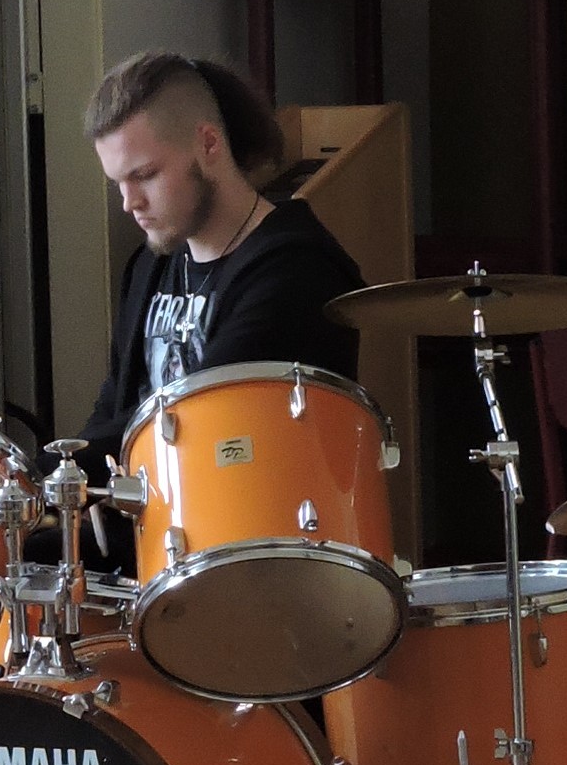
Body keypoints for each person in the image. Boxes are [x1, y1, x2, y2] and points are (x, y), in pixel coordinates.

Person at [78, 49, 363, 475]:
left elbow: (198, 415)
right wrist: (60, 476)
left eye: (145, 175)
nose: (129, 202)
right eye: (118, 182)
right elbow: (114, 406)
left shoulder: (296, 270)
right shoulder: (150, 266)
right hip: (155, 503)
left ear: (209, 143)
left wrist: (42, 471)